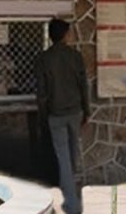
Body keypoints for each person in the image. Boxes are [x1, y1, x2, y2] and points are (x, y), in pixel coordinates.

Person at [35, 18, 89, 214]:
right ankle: (73, 198)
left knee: (63, 157)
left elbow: (41, 92)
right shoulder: (75, 56)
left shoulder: (43, 59)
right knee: (73, 154)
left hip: (55, 114)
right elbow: (83, 85)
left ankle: (71, 202)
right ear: (65, 34)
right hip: (75, 111)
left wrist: (42, 116)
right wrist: (87, 110)